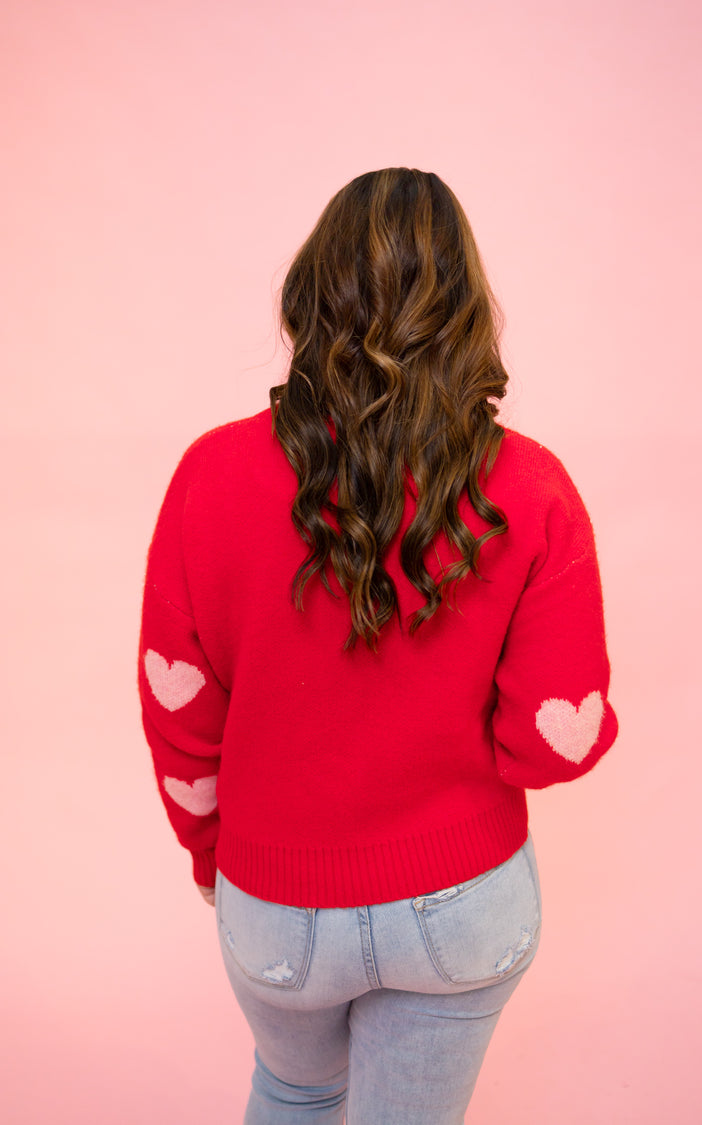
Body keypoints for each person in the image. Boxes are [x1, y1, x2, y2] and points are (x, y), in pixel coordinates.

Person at [138, 167, 618, 1125]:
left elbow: (179, 709)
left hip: (271, 897)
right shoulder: (533, 488)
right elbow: (550, 741)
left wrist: (212, 857)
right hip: (462, 901)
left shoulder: (208, 474)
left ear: (311, 294)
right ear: (468, 312)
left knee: (295, 1090)